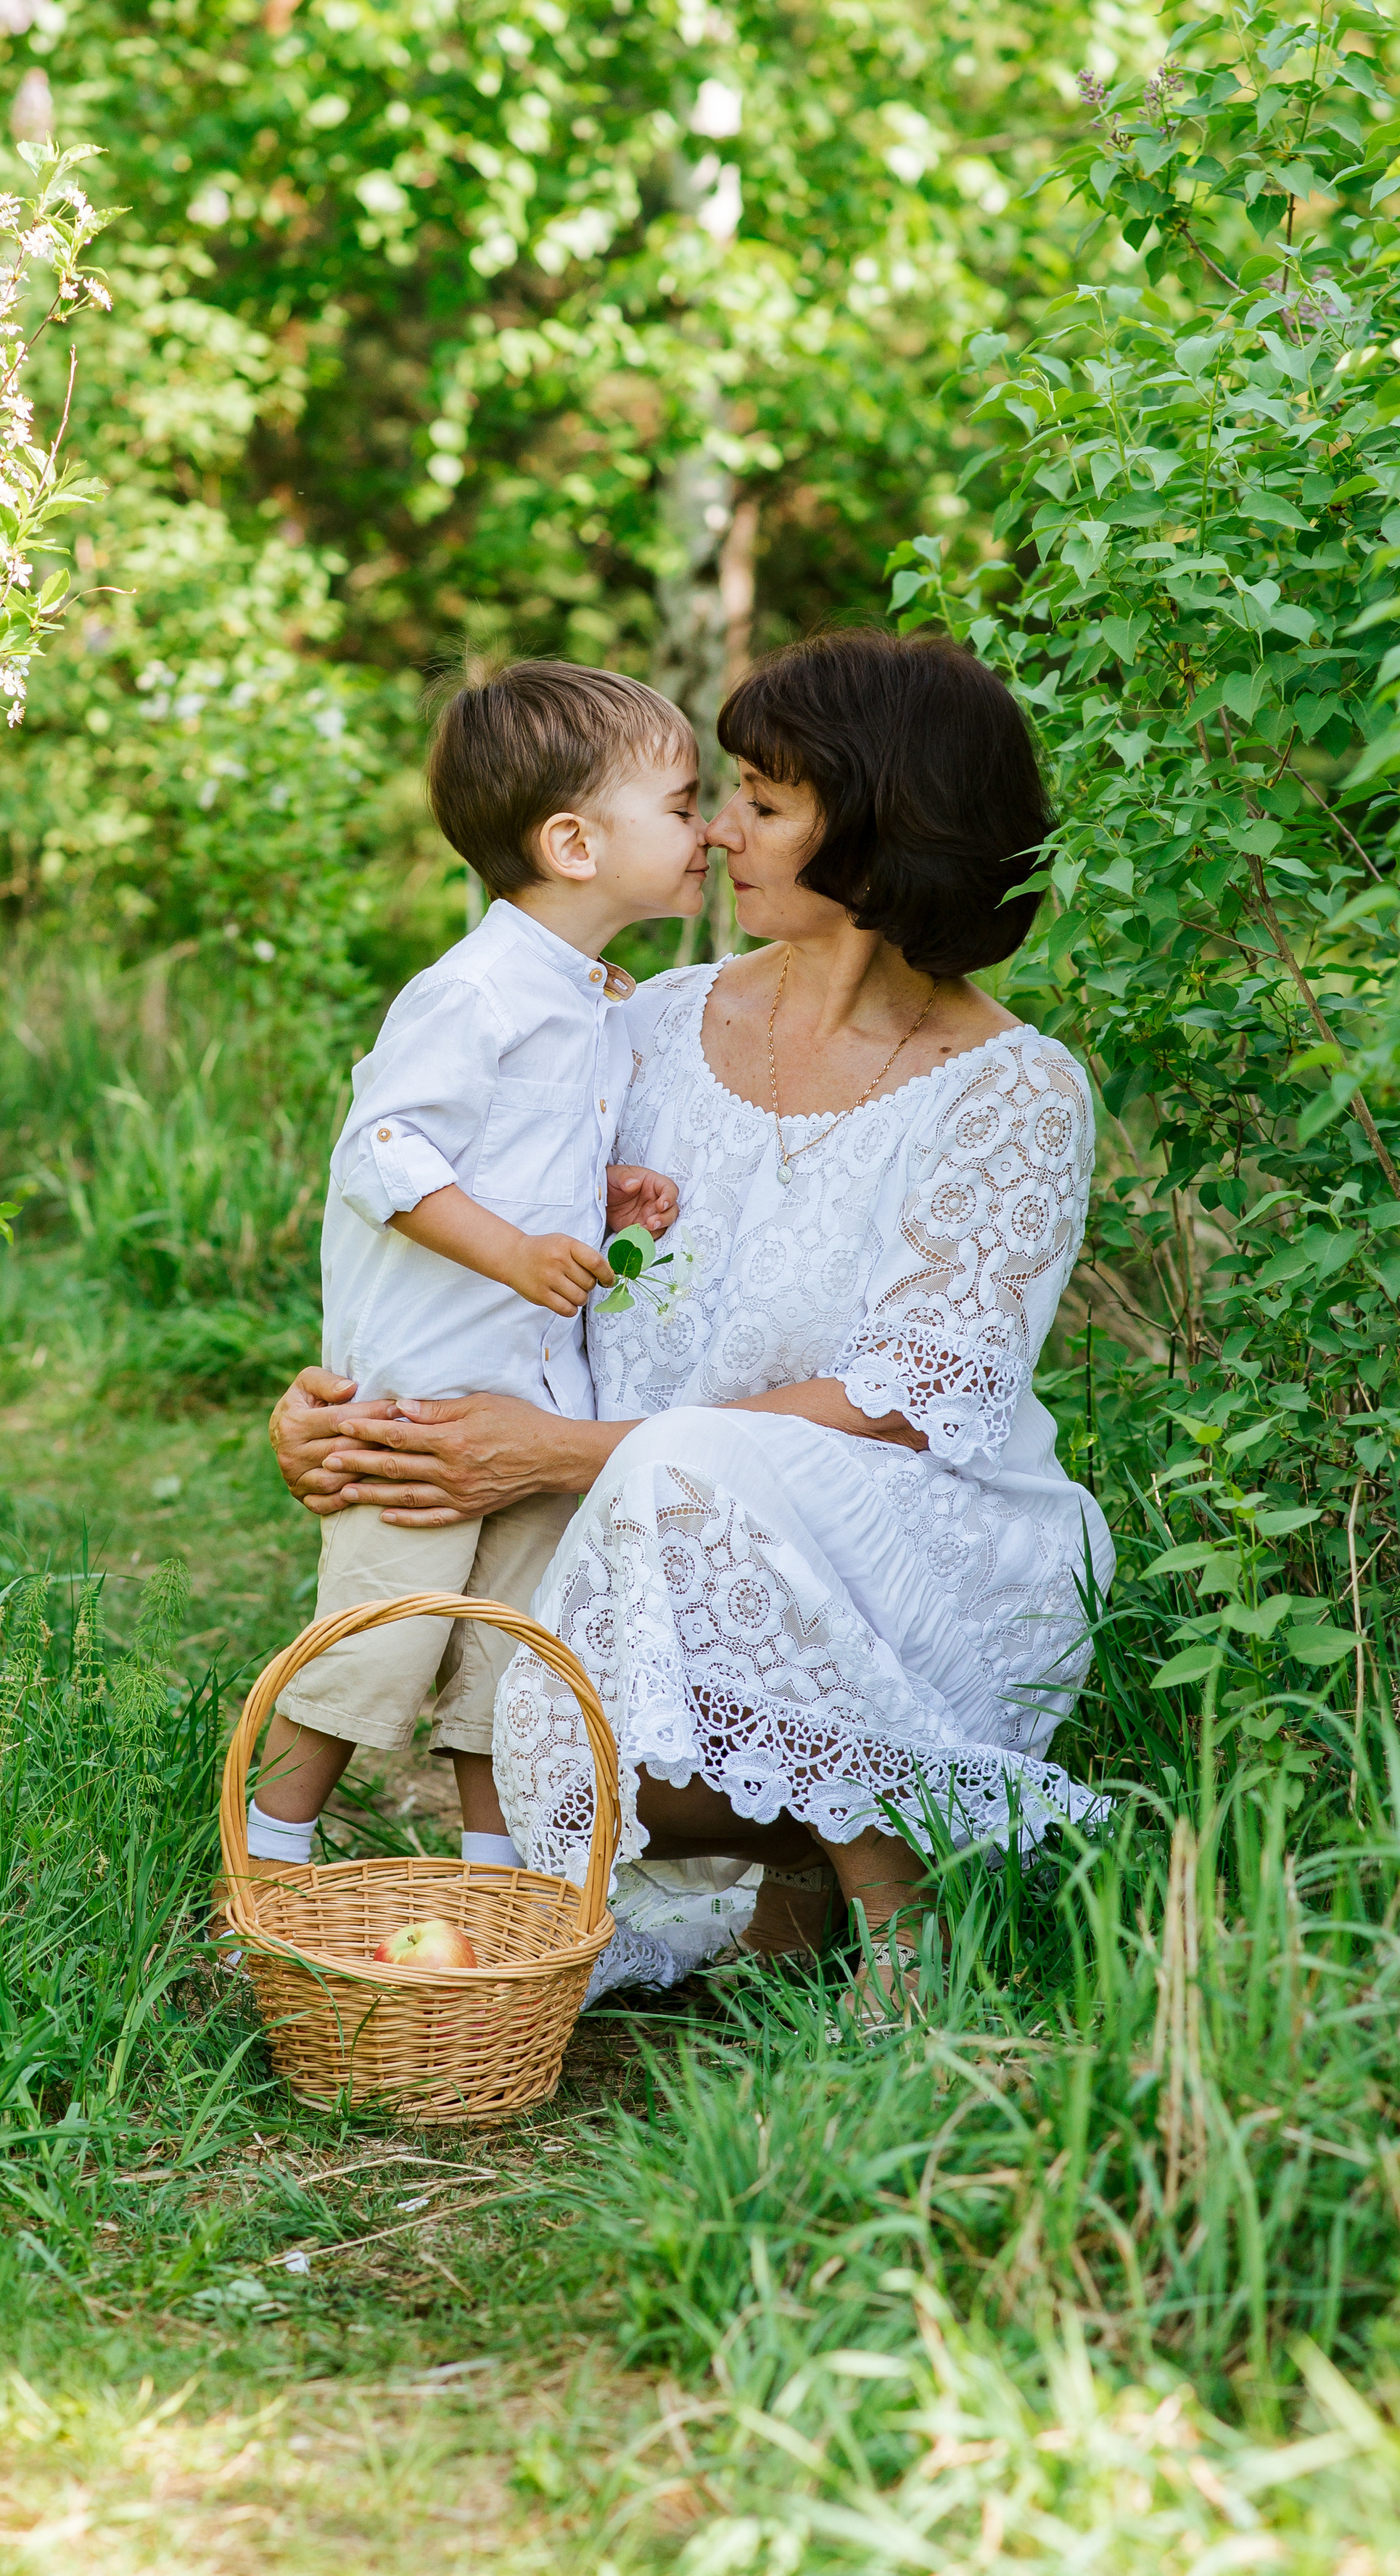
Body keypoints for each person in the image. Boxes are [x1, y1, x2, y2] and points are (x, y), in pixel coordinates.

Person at [268, 627, 1113, 2009]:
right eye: (719, 796)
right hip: (621, 1564)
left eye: (764, 805)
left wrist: (555, 1454)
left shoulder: (1015, 1092)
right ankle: (768, 1885)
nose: (719, 834)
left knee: (691, 1463)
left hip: (920, 1567)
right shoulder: (637, 1027)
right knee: (540, 1678)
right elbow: (432, 1216)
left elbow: (912, 1399)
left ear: (880, 833)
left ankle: (895, 1926)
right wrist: (346, 1404)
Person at [235, 659, 705, 1905]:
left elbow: (513, 1157)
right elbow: (383, 1152)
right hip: (426, 1402)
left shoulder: (597, 1003)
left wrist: (604, 1196)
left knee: (513, 1661)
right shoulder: (474, 992)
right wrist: (514, 1250)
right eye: (683, 803)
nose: (707, 829)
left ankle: (497, 1897)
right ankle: (266, 1865)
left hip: (536, 1400)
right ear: (573, 843)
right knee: (374, 1650)